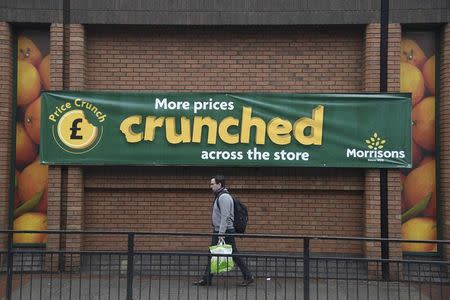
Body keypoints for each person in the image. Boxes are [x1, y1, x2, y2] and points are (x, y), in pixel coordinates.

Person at [193, 174, 254, 286]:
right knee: (214, 253)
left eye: (212, 184)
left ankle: (248, 276)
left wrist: (221, 233)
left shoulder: (224, 197)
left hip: (224, 231)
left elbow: (225, 217)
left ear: (219, 184)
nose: (210, 186)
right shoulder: (219, 196)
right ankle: (207, 279)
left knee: (233, 254)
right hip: (221, 230)